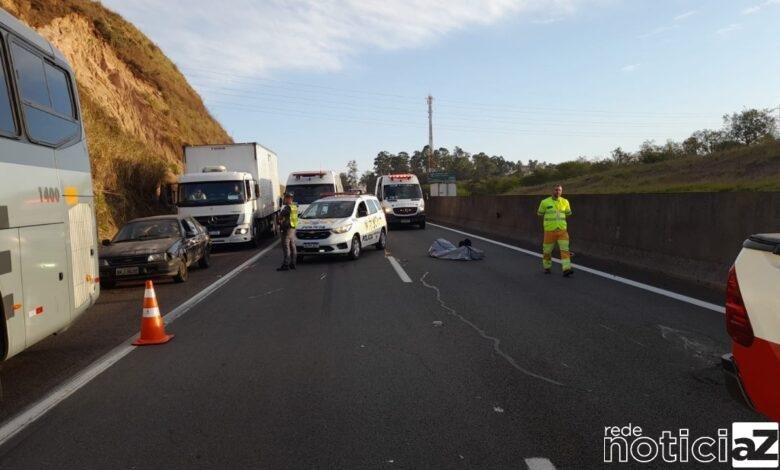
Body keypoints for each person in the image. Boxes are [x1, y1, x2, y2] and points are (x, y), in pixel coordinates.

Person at [537, 184, 573, 277]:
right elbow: (540, 213)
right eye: (556, 190)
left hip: (562, 230)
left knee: (565, 250)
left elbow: (568, 213)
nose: (558, 192)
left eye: (560, 190)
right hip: (549, 231)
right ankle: (547, 267)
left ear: (562, 191)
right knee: (547, 251)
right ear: (552, 191)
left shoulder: (565, 202)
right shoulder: (545, 202)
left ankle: (566, 269)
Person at [276, 193, 298, 271]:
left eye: (285, 198)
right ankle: (293, 264)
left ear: (289, 199)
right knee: (292, 246)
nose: (284, 200)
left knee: (286, 247)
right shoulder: (294, 206)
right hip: (293, 229)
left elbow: (280, 217)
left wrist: (279, 221)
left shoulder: (288, 208)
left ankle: (286, 265)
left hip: (287, 229)